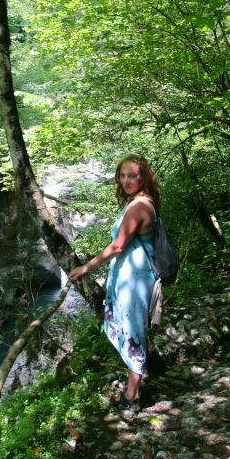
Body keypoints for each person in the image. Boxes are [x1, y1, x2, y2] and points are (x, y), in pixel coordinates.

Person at [69, 155, 160, 411]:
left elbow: (118, 245)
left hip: (135, 280)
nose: (126, 180)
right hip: (131, 276)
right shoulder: (138, 201)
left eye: (132, 175)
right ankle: (132, 386)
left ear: (143, 177)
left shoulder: (138, 206)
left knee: (133, 333)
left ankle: (132, 397)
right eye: (122, 175)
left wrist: (86, 267)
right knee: (131, 330)